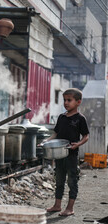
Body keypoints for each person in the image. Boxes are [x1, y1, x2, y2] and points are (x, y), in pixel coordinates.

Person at [43, 88, 89, 216]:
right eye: (64, 100)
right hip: (59, 154)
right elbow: (56, 134)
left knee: (72, 181)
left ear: (78, 102)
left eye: (69, 100)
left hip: (71, 155)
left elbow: (86, 136)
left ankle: (70, 208)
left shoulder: (80, 119)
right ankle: (57, 205)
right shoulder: (62, 117)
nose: (66, 103)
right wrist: (45, 141)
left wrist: (78, 144)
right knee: (59, 180)